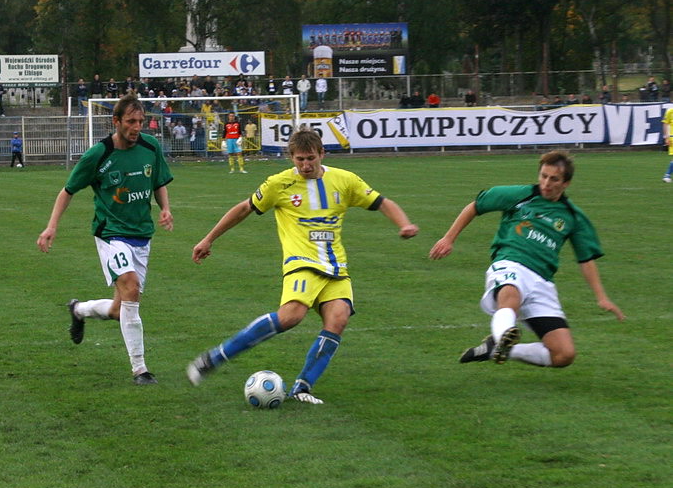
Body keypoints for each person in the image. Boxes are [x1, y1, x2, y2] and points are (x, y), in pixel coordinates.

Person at [186, 129, 418, 404]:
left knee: (338, 319)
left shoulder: (345, 181)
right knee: (291, 316)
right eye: (299, 160)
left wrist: (404, 224)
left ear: (322, 154)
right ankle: (213, 358)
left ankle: (302, 387)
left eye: (310, 158)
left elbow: (382, 202)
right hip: (301, 263)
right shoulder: (278, 184)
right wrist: (208, 239)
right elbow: (244, 208)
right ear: (291, 158)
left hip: (336, 267)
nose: (306, 165)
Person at [429, 150, 625, 368]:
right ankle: (504, 334)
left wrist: (602, 297)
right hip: (510, 263)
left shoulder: (572, 216)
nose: (546, 183)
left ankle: (498, 348)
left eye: (554, 179)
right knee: (511, 293)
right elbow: (476, 206)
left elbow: (586, 259)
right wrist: (448, 238)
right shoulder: (521, 195)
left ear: (566, 183)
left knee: (564, 355)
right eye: (543, 176)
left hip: (542, 283)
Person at [36, 94, 174, 385]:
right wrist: (51, 227)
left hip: (141, 234)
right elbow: (67, 191)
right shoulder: (98, 154)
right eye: (130, 122)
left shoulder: (150, 147)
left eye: (140, 121)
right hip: (111, 233)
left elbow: (158, 182)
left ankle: (79, 310)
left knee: (118, 309)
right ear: (116, 121)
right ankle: (140, 369)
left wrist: (165, 209)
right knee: (131, 287)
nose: (137, 127)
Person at [662, 106, 673, 182]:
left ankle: (667, 175)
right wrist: (666, 137)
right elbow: (665, 124)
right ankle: (667, 175)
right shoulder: (670, 111)